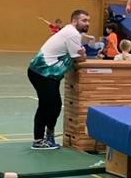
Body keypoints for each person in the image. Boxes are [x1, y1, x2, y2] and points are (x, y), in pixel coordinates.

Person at [27, 9, 89, 149]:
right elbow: (78, 57)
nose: (87, 23)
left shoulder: (70, 32)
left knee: (48, 106)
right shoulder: (72, 33)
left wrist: (81, 52)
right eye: (84, 20)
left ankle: (43, 138)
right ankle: (42, 139)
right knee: (52, 105)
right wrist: (83, 54)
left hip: (46, 74)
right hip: (43, 72)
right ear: (74, 21)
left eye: (88, 20)